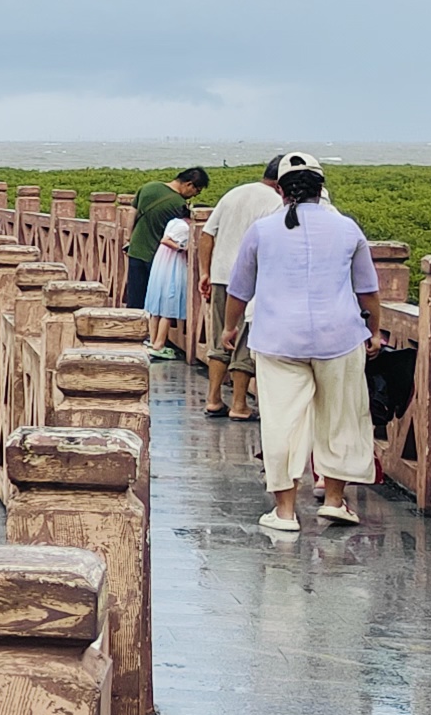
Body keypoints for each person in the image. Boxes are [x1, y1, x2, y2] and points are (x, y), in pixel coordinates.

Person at [227, 154, 385, 531]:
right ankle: (333, 500)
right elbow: (367, 290)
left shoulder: (262, 230)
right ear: (321, 188)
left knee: (282, 421)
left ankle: (284, 511)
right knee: (341, 418)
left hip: (277, 339)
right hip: (340, 338)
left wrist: (228, 329)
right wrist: (375, 331)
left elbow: (238, 289)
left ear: (280, 190)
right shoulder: (347, 228)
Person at [198, 157, 286, 419]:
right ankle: (239, 405)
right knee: (244, 341)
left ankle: (213, 399)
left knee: (219, 338)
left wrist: (205, 272)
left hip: (221, 275)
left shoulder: (234, 193)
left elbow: (206, 234)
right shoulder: (276, 203)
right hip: (252, 280)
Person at [128, 165, 208, 353]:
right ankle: (156, 341)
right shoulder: (178, 204)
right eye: (196, 190)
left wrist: (129, 239)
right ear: (189, 184)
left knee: (136, 298)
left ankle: (131, 336)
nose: (194, 195)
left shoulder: (148, 187)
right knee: (160, 301)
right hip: (160, 260)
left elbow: (132, 213)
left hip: (136, 250)